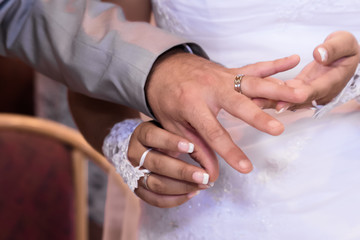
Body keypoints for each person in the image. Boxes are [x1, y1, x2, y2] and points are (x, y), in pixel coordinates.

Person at [70, 0, 360, 239]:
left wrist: (354, 80)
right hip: (198, 202)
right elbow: (92, 63)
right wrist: (126, 143)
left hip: (344, 195)